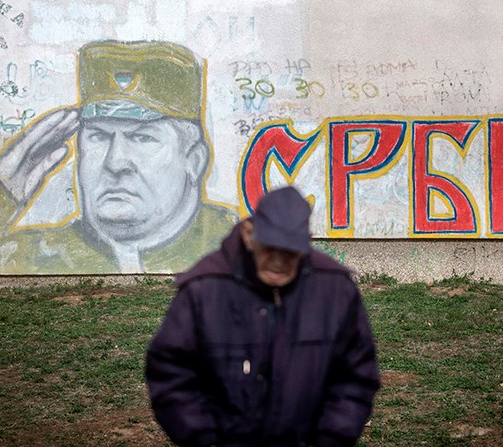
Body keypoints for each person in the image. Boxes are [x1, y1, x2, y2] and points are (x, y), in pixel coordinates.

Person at [0, 40, 236, 274]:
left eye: (141, 137)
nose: (115, 162)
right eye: (98, 136)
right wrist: (0, 191)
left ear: (193, 160)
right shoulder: (43, 253)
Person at [146, 186, 380, 447]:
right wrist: (202, 438)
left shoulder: (335, 290)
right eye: (270, 247)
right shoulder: (205, 288)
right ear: (249, 235)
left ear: (307, 243)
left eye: (289, 251)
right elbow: (170, 370)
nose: (278, 261)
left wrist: (330, 438)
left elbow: (356, 375)